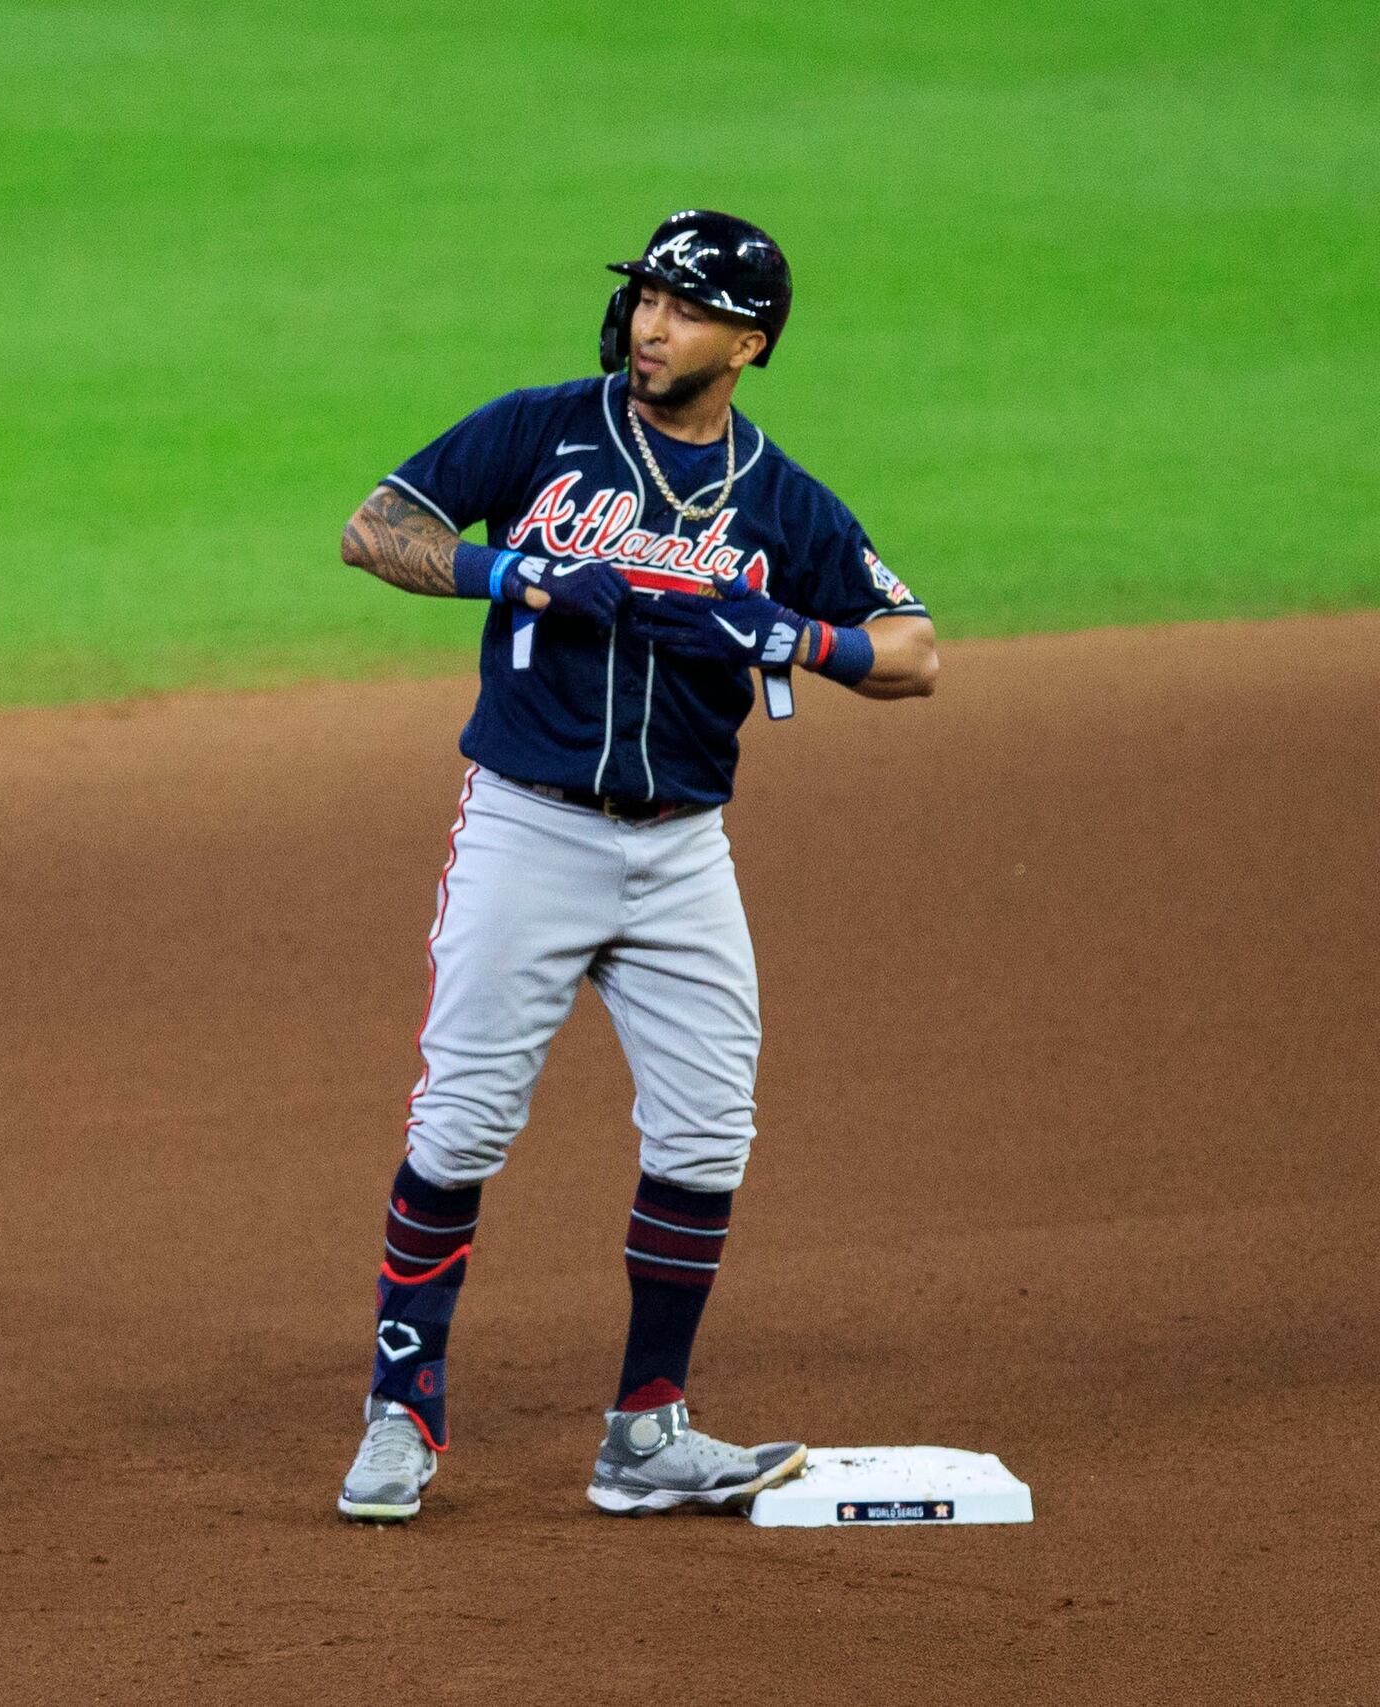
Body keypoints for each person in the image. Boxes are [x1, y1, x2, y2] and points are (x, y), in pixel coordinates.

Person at [332, 211, 939, 1522]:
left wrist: (797, 640)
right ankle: (401, 1416)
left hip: (681, 857)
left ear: (750, 341)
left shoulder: (781, 499)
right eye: (646, 299)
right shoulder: (543, 429)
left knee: (710, 1132)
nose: (651, 325)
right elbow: (375, 529)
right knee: (461, 1128)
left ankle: (649, 1429)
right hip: (528, 830)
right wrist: (519, 572)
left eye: (683, 307)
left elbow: (915, 647)